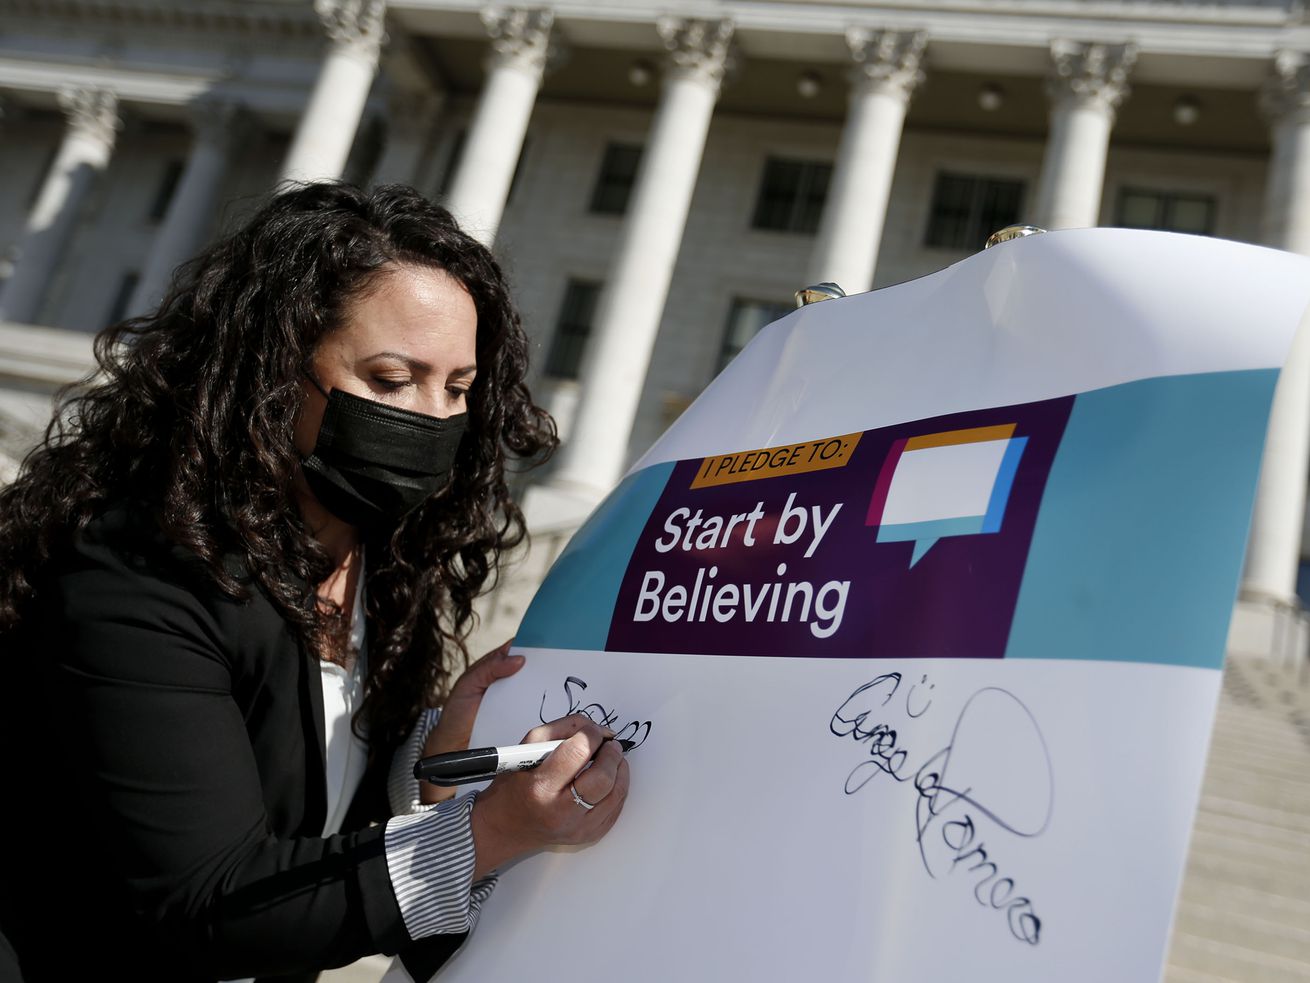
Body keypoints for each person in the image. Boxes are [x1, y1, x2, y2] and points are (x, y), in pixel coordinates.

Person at [0, 183, 630, 983]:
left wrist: (440, 768)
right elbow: (208, 901)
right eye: (392, 378)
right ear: (272, 372)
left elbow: (321, 822)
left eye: (459, 388)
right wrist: (491, 831)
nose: (432, 417)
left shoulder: (380, 562)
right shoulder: (139, 567)